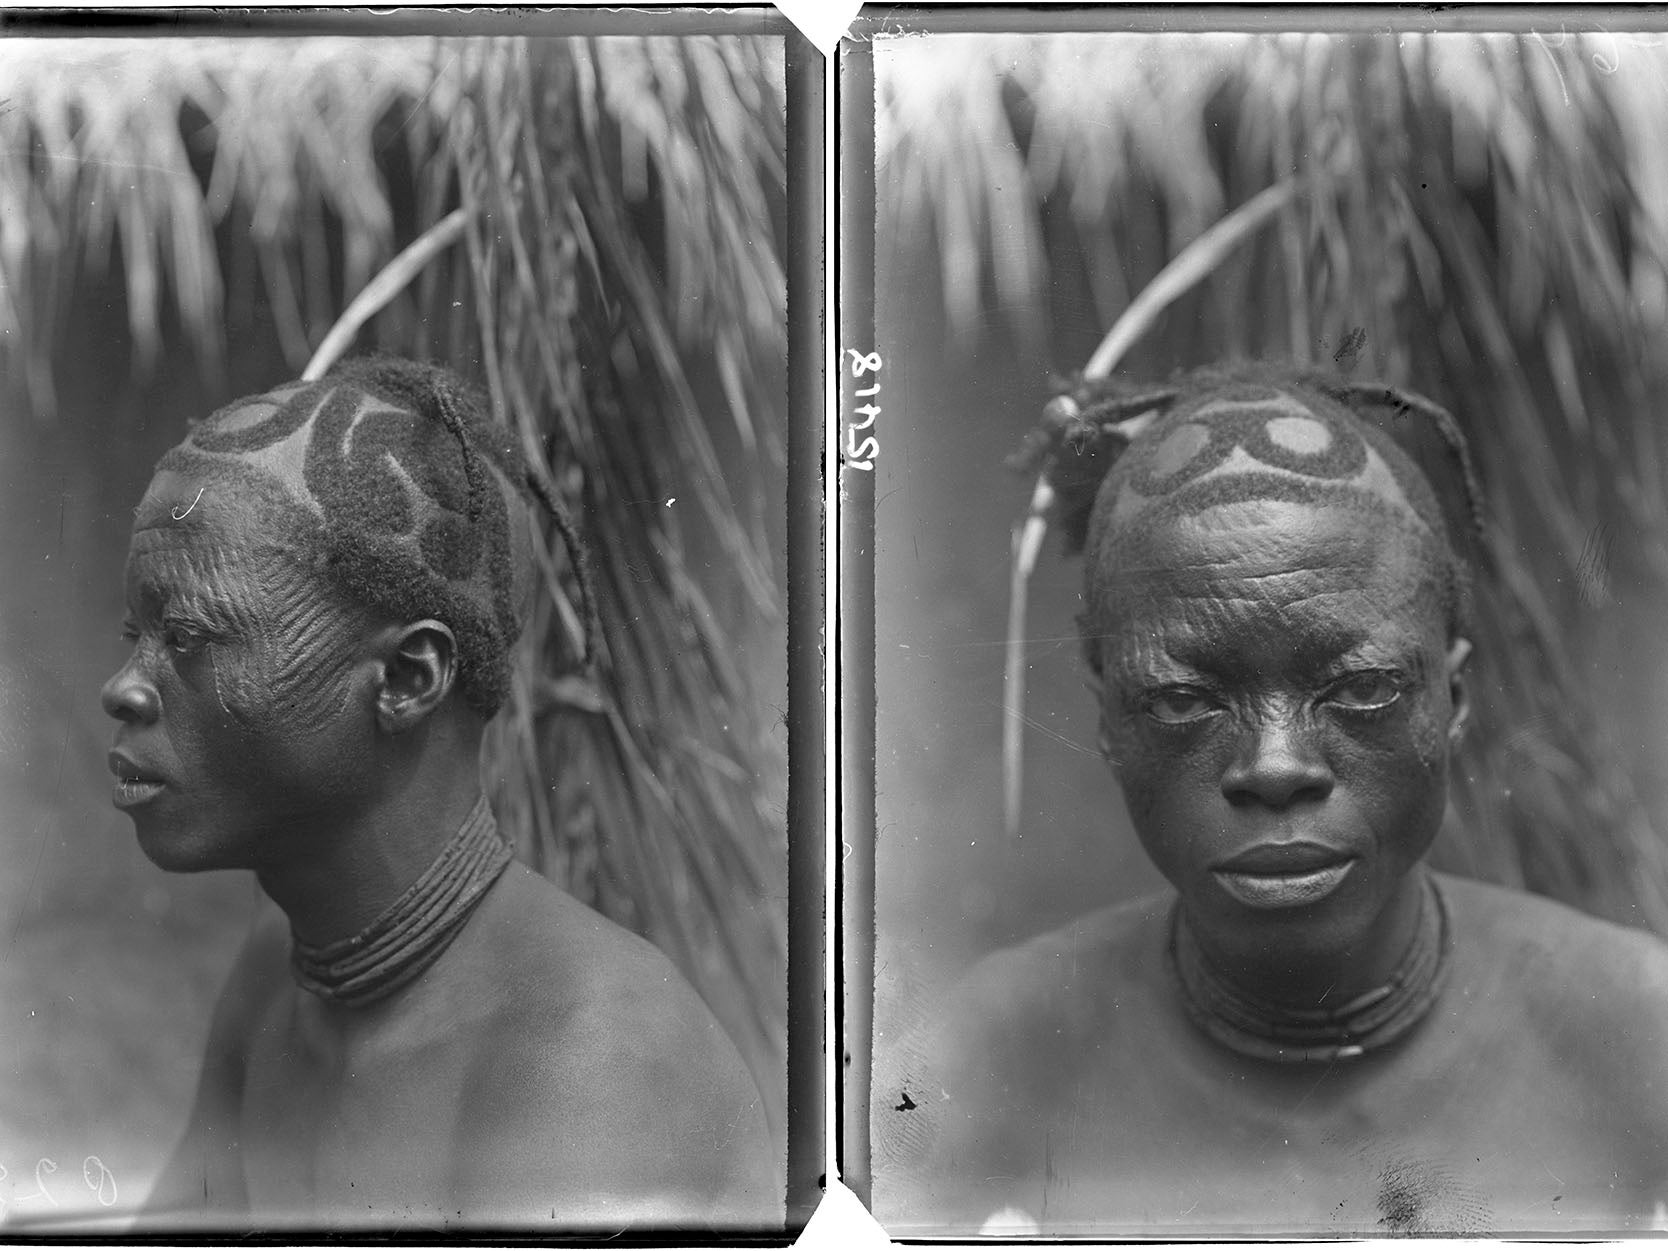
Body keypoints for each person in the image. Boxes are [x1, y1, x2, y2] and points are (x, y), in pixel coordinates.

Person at [880, 362, 1668, 1235]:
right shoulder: (963, 1077)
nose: (1276, 765)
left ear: (1456, 700)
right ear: (1107, 721)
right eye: (1183, 700)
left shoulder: (1644, 1041)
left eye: (1361, 686)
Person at [102, 357, 778, 1231]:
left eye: (188, 634)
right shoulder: (280, 978)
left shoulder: (588, 1063)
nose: (123, 686)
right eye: (136, 633)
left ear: (409, 676)